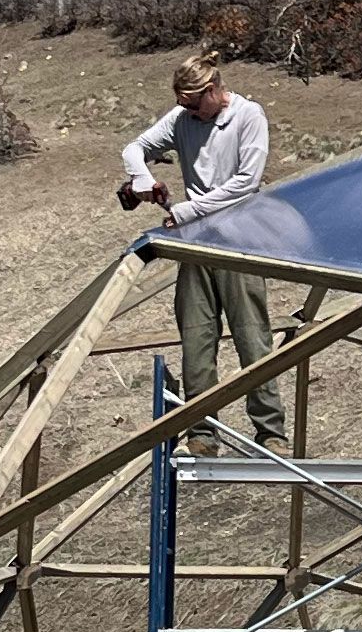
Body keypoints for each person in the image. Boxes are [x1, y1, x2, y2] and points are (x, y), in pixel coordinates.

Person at [117, 53, 286, 452]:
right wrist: (142, 179)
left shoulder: (248, 116)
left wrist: (187, 210)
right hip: (196, 243)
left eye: (193, 102)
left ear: (213, 91)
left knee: (252, 336)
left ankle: (271, 431)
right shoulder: (182, 119)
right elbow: (135, 148)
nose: (187, 110)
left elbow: (247, 182)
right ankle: (202, 430)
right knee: (197, 336)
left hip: (240, 241)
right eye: (182, 103)